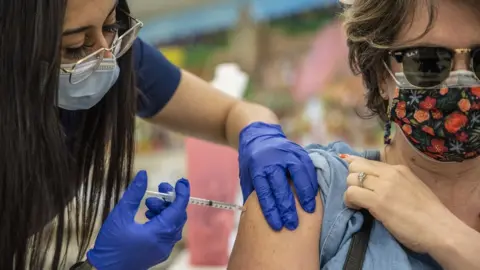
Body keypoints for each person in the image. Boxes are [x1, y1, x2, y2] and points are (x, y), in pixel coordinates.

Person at [0, 0, 318, 269]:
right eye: (74, 46)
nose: (106, 57)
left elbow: (231, 113)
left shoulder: (116, 53)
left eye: (111, 25)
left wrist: (260, 134)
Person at [228, 0, 480, 269]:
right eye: (427, 62)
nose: (464, 82)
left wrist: (446, 235)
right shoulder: (309, 195)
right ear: (381, 74)